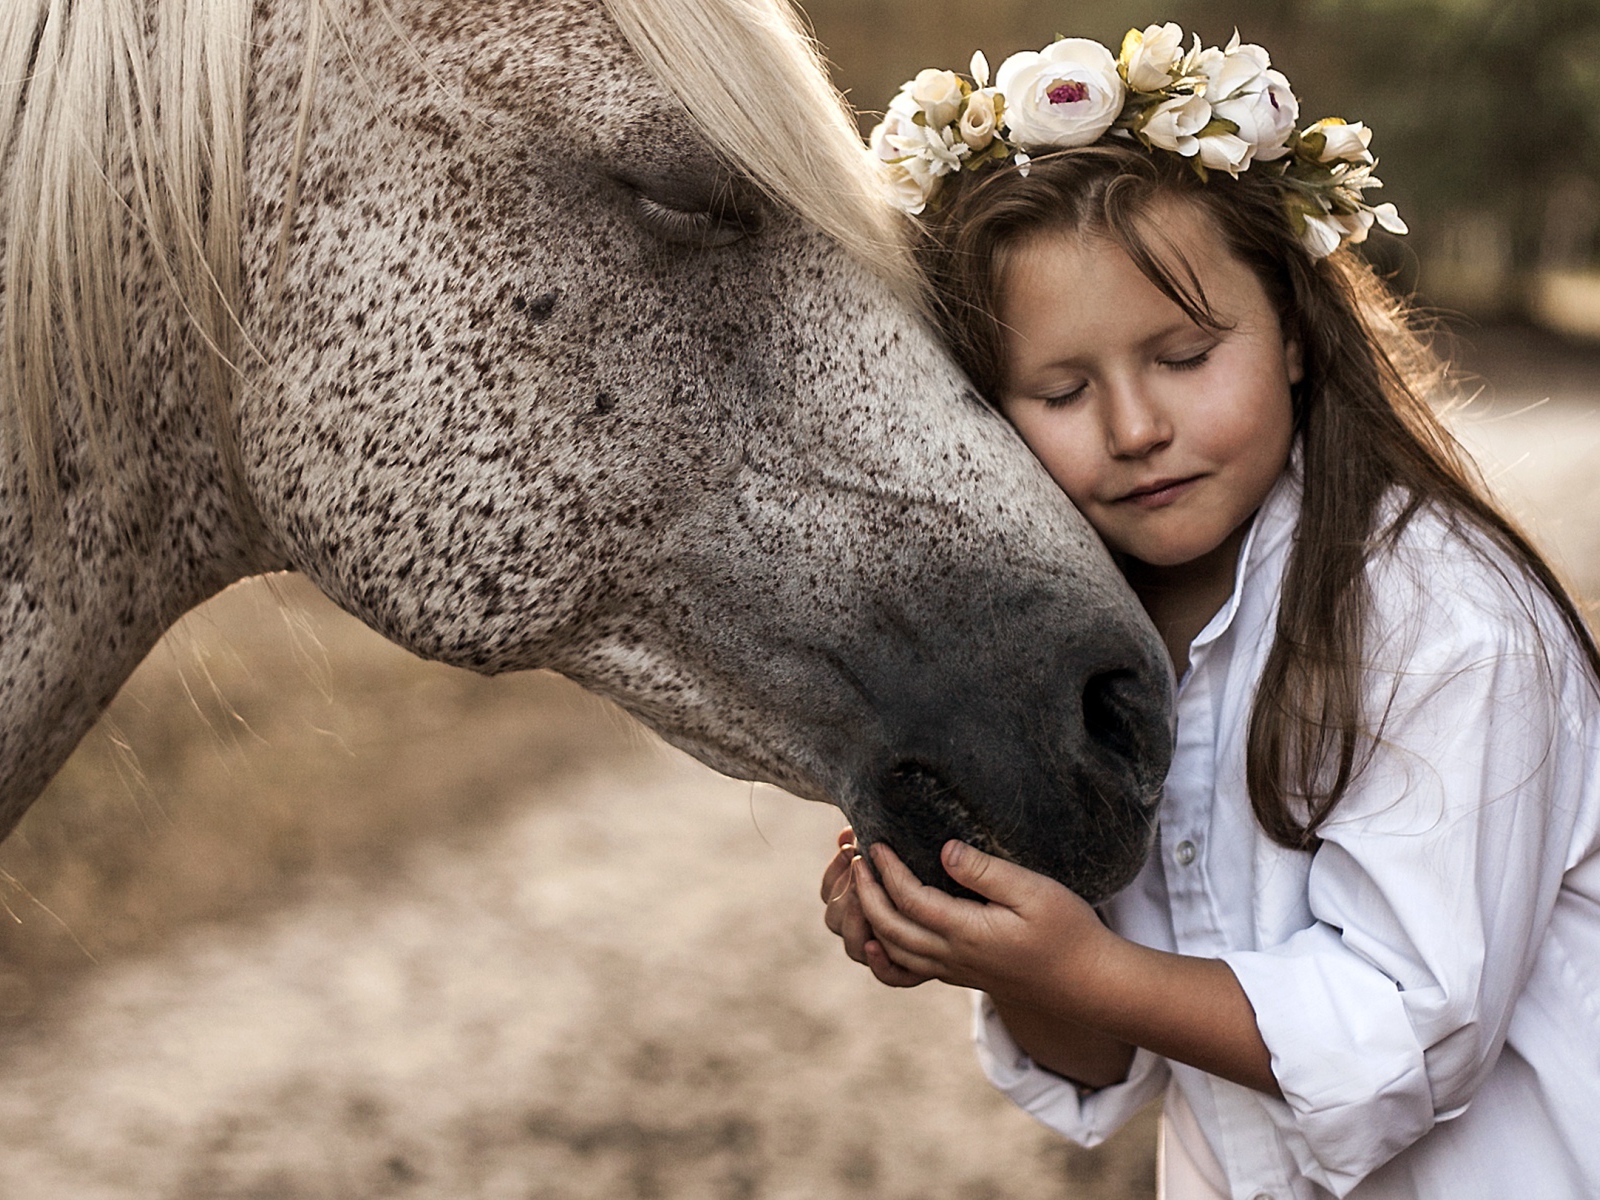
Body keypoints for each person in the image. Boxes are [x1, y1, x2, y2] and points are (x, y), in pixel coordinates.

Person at [821, 23, 1600, 1200]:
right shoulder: (1079, 662)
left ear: (1290, 327)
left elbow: (1408, 1028)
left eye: (1184, 356)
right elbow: (1105, 1054)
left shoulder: (1448, 623)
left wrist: (1085, 969)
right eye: (1063, 390)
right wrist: (987, 941)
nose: (1135, 428)